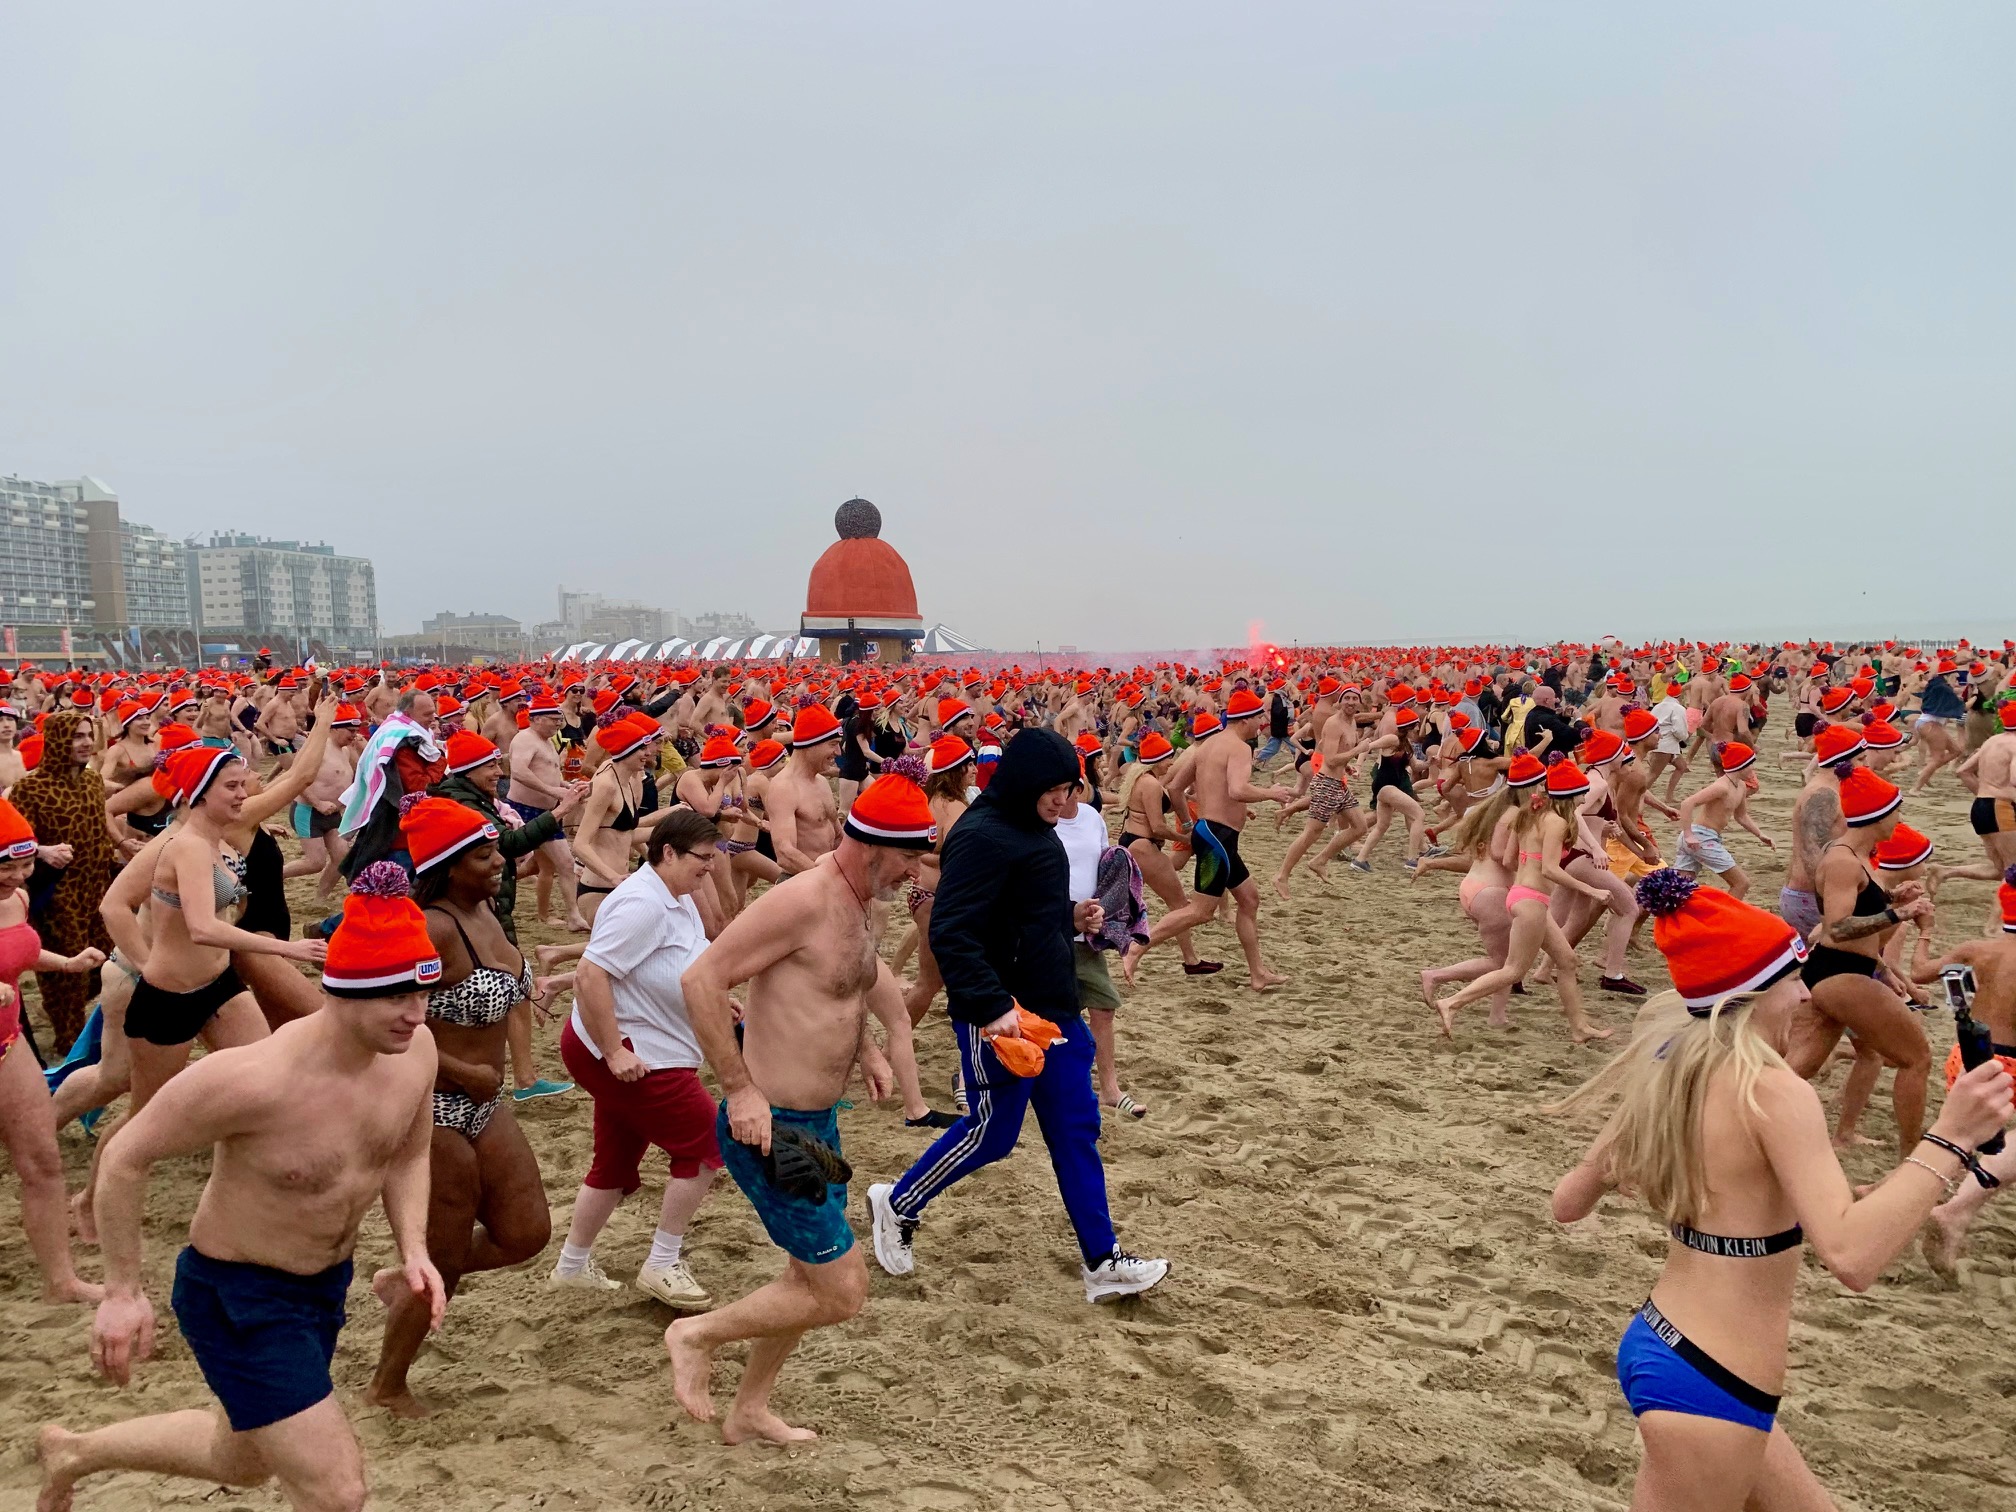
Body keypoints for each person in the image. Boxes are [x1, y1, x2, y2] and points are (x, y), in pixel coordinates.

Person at [1549, 867, 2012, 1512]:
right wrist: (1951, 1136)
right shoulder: (1775, 1090)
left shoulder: (1673, 1066)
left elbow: (1568, 1203)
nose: (1803, 997)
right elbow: (1851, 1258)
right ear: (1752, 992)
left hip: (1670, 1344)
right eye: (1792, 979)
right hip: (1716, 1379)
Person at [36, 865, 447, 1512]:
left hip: (323, 1286)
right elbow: (124, 1157)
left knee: (246, 1457)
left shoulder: (414, 1052)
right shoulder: (253, 1080)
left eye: (423, 994)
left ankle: (76, 1451)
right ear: (344, 991)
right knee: (337, 1491)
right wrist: (120, 1291)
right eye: (396, 997)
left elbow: (408, 1151)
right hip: (238, 1293)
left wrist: (414, 1250)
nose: (415, 1014)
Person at [666, 767, 930, 1445]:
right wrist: (739, 1088)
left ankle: (750, 1408)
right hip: (769, 1126)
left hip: (817, 1121)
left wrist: (868, 1050)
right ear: (873, 848)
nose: (912, 875)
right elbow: (701, 978)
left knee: (803, 1279)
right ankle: (694, 1335)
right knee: (840, 1291)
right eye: (907, 859)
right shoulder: (804, 899)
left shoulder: (860, 900)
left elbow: (848, 985)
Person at [866, 730, 1170, 1301]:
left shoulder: (1036, 830)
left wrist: (1068, 916)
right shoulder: (982, 836)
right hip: (999, 1015)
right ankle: (898, 1203)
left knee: (1076, 1131)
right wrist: (992, 1006)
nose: (1062, 800)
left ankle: (1103, 1261)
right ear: (1026, 782)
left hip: (1054, 1009)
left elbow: (1017, 910)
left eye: (1068, 788)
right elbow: (955, 933)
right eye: (1053, 789)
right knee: (991, 1133)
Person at [365, 799, 549, 1417]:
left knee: (526, 1233)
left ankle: (410, 1282)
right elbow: (377, 1021)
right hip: (428, 1105)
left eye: (495, 849)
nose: (499, 862)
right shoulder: (434, 927)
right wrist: (458, 1068)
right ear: (447, 864)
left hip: (482, 1099)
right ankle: (387, 1385)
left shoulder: (486, 913)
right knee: (441, 1252)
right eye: (483, 854)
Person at [552, 810, 727, 1307]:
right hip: (633, 1051)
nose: (710, 868)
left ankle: (571, 1267)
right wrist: (614, 1051)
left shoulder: (673, 895)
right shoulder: (642, 902)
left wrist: (710, 1001)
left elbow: (672, 963)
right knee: (707, 1147)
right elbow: (592, 974)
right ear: (667, 853)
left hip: (640, 1045)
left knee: (614, 1163)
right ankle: (663, 1262)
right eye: (703, 859)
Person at [1783, 768, 1934, 1158]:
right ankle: (1910, 1159)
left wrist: (1894, 904)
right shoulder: (1843, 861)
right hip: (1839, 973)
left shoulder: (1859, 858)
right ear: (1878, 816)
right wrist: (1898, 915)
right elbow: (1836, 929)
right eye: (1896, 812)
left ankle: (1722, 1133)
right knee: (1916, 1057)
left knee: (1792, 1072)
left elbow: (1870, 937)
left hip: (1845, 972)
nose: (1900, 820)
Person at [0, 797, 104, 1303]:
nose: (17, 877)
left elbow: (17, 948)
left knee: (42, 1161)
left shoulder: (16, 898)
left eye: (24, 865)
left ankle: (61, 1281)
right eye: (6, 866)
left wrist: (64, 963)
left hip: (7, 1040)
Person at [1122, 690, 1293, 992]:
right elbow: (1238, 789)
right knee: (1200, 911)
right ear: (1247, 719)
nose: (1262, 723)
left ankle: (1258, 974)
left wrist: (1190, 823)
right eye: (1259, 717)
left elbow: (1175, 788)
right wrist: (1272, 793)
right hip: (1218, 837)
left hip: (1212, 833)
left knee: (1250, 899)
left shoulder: (1206, 746)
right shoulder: (1239, 748)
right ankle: (1137, 948)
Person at [1907, 871, 2016, 1273]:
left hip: (1968, 1058)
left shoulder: (1978, 949)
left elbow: (1918, 973)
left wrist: (1925, 932)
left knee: (1956, 1140)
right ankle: (1955, 1211)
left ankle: (1890, 1195)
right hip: (2012, 1068)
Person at [8, 709, 115, 1052]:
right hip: (57, 891)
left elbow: (101, 826)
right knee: (68, 968)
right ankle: (69, 1042)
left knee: (104, 960)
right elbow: (14, 842)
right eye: (76, 737)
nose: (85, 743)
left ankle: (61, 1012)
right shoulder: (31, 787)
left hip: (96, 885)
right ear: (57, 741)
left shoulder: (92, 780)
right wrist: (42, 850)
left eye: (87, 735)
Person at [508, 690, 590, 932]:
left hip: (546, 810)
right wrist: (555, 792)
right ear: (536, 719)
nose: (557, 722)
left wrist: (566, 786)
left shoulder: (545, 742)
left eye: (558, 718)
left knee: (552, 865)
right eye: (553, 718)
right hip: (523, 809)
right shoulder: (525, 739)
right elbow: (519, 772)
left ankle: (556, 916)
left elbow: (550, 773)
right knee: (508, 864)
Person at [767, 705, 845, 876]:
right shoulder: (784, 787)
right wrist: (825, 880)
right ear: (811, 744)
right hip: (800, 882)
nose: (838, 752)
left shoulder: (822, 782)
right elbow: (785, 854)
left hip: (826, 879)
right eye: (833, 744)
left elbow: (839, 836)